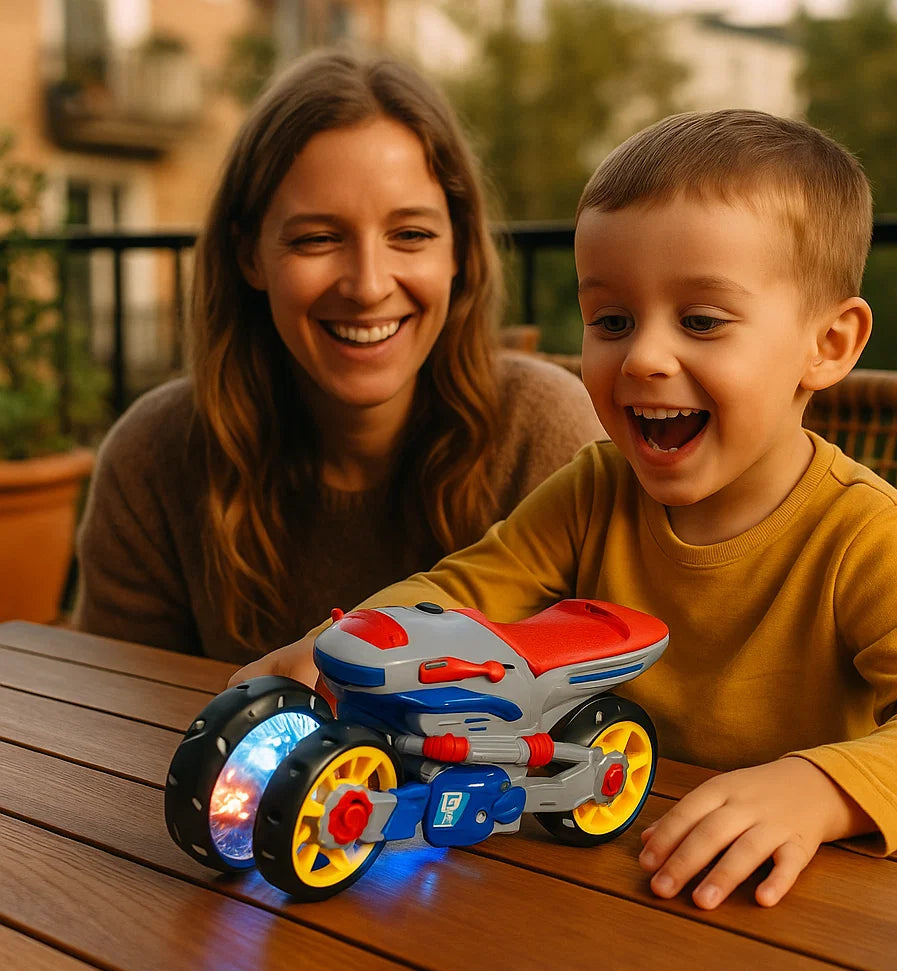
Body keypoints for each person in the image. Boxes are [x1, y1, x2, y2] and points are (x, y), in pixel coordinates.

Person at [232, 109, 897, 909]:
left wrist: (817, 789)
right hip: (598, 876)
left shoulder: (869, 535)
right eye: (611, 320)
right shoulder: (593, 489)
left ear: (829, 344)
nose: (642, 357)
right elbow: (463, 592)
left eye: (701, 321)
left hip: (788, 908)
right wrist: (342, 646)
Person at [71, 49, 603, 664]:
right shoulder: (154, 457)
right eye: (318, 238)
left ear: (457, 250)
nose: (368, 284)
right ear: (249, 256)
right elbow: (109, 717)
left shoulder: (550, 437)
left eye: (410, 234)